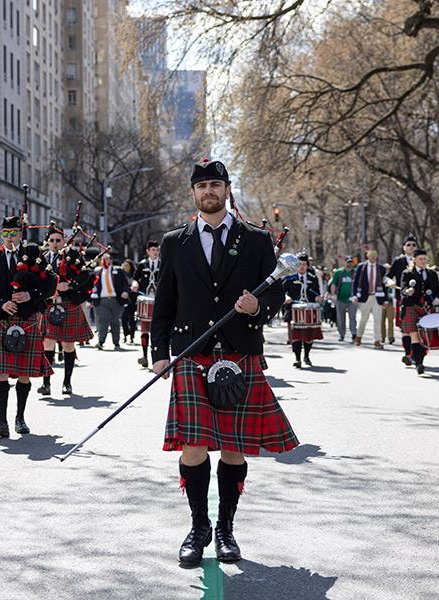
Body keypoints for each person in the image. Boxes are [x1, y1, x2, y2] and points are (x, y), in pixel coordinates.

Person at [151, 158, 298, 567]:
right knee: (194, 447)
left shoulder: (254, 239)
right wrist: (159, 354)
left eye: (216, 184)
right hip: (191, 353)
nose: (209, 192)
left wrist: (257, 307)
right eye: (202, 186)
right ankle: (198, 526)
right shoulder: (174, 241)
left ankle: (225, 529)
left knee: (234, 448)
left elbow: (275, 294)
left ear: (227, 189)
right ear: (193, 193)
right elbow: (165, 301)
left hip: (238, 352)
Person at [0, 215, 56, 437]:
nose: (9, 237)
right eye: (5, 233)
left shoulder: (33, 255)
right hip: (3, 319)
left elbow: (50, 283)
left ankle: (20, 418)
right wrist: (1, 303)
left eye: (13, 233)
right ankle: (1, 422)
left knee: (24, 373)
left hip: (27, 318)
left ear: (20, 234)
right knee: (1, 372)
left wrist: (30, 295)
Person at [39, 226, 94, 397]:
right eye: (52, 240)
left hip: (68, 304)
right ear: (48, 242)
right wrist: (47, 291)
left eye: (58, 240)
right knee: (48, 343)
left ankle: (67, 383)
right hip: (50, 305)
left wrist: (69, 285)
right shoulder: (42, 259)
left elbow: (86, 276)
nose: (55, 243)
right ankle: (46, 383)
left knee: (68, 344)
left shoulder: (72, 257)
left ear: (63, 241)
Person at [398, 249, 439, 374]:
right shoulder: (407, 273)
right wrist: (407, 292)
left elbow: (437, 291)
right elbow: (403, 289)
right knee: (415, 335)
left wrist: (437, 299)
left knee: (424, 336)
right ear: (414, 260)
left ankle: (418, 359)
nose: (423, 261)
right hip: (411, 306)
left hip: (426, 307)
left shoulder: (432, 274)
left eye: (424, 259)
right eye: (420, 259)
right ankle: (419, 363)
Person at [283, 254, 323, 368]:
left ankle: (306, 356)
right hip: (293, 310)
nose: (302, 267)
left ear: (307, 265)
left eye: (304, 264)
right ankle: (297, 359)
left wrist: (317, 298)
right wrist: (286, 298)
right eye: (299, 264)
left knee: (308, 335)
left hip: (309, 310)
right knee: (295, 336)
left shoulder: (312, 278)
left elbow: (316, 293)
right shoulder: (289, 278)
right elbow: (282, 291)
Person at [387, 235, 418, 363]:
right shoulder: (398, 261)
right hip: (402, 298)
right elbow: (388, 276)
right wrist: (389, 282)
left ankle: (417, 354)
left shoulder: (420, 259)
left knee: (416, 329)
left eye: (413, 245)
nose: (411, 247)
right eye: (408, 245)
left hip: (418, 299)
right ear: (404, 247)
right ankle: (408, 354)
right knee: (405, 328)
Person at [351, 249, 389, 348]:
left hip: (377, 297)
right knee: (364, 318)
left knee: (378, 319)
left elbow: (385, 285)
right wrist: (355, 295)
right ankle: (359, 337)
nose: (372, 258)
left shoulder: (381, 268)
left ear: (376, 257)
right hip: (365, 297)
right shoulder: (361, 267)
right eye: (370, 256)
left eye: (374, 256)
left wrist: (385, 299)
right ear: (367, 256)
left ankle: (377, 340)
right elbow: (355, 282)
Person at [91, 254, 130, 350]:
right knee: (103, 320)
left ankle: (116, 343)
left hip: (116, 300)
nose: (107, 261)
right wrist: (89, 300)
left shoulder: (118, 270)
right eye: (105, 259)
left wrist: (125, 291)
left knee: (115, 321)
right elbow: (92, 285)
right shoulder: (98, 271)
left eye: (108, 259)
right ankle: (101, 341)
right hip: (102, 300)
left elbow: (125, 282)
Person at [133, 241, 162, 367]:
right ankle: (144, 356)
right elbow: (135, 278)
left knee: (158, 332)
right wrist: (134, 284)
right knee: (145, 331)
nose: (155, 252)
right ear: (148, 251)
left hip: (160, 301)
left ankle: (157, 357)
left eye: (157, 249)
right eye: (153, 250)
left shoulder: (163, 263)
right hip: (145, 300)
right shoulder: (142, 264)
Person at [329, 255, 357, 342]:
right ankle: (341, 335)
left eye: (351, 262)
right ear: (344, 262)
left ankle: (354, 334)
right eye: (347, 262)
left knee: (352, 317)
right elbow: (334, 284)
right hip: (340, 298)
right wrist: (333, 295)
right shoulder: (339, 272)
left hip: (352, 299)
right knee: (340, 318)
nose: (349, 264)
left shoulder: (355, 272)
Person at [120, 258, 137, 344]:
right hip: (124, 299)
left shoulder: (134, 275)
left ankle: (132, 336)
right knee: (123, 318)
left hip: (133, 299)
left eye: (127, 266)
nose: (126, 267)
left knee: (132, 319)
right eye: (124, 265)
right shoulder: (121, 275)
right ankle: (126, 334)